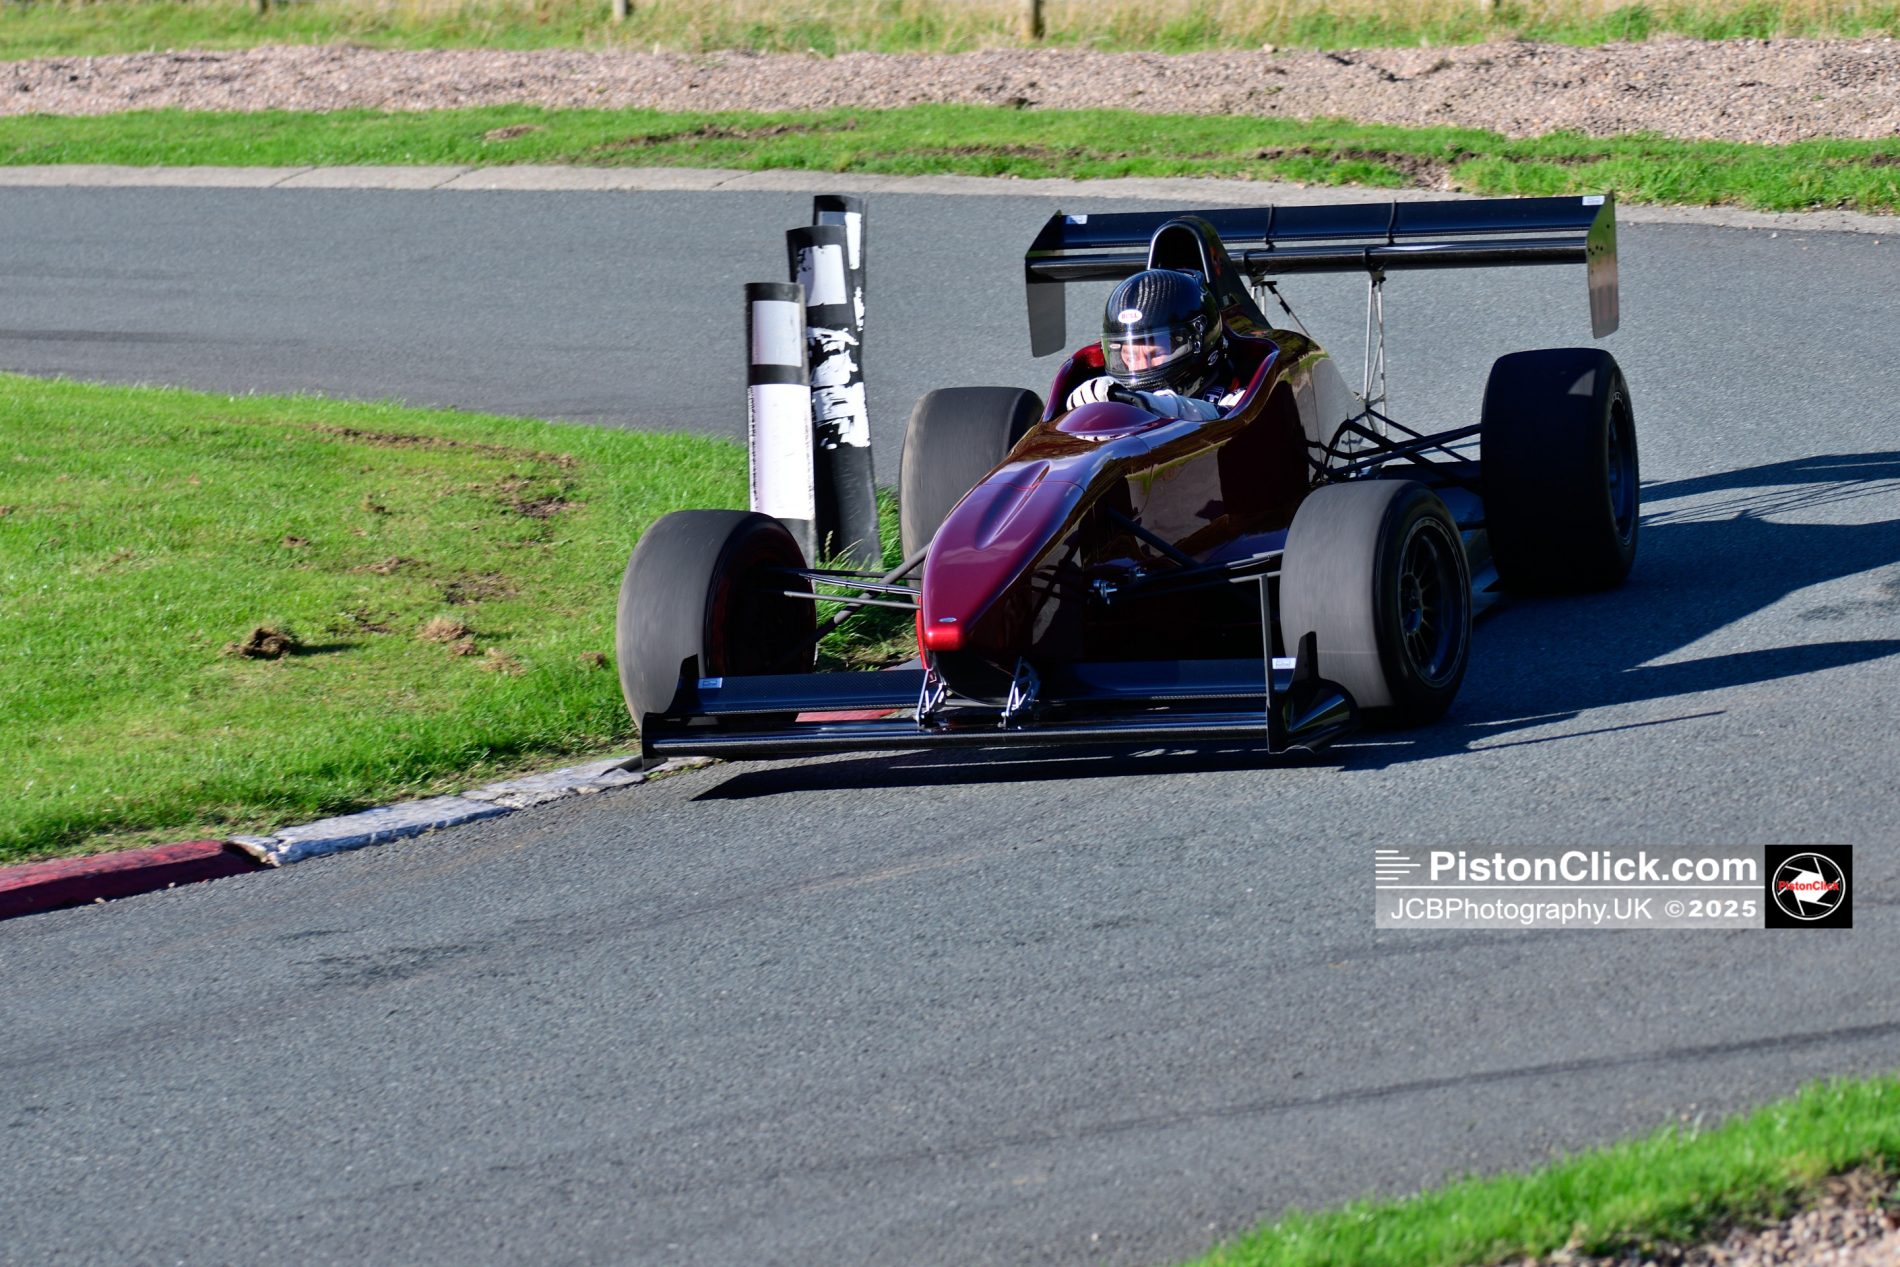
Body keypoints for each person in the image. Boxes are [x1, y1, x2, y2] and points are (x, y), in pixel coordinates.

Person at [1065, 268, 1244, 421]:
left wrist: (1145, 403)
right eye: (1130, 356)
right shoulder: (1105, 388)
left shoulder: (1239, 396)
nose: (1139, 366)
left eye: (1153, 354)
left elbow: (1220, 417)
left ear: (1197, 344)